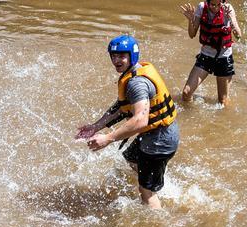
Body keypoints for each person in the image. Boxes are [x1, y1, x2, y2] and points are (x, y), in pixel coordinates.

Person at [77, 35, 180, 209]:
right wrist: (96, 126)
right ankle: (156, 181)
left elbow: (140, 120)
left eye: (122, 56)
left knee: (146, 192)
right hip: (157, 134)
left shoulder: (137, 83)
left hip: (159, 140)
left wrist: (108, 138)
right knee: (131, 160)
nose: (117, 60)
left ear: (132, 56)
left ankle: (156, 226)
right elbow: (122, 107)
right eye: (113, 56)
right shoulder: (133, 74)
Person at [179, 0, 242, 106]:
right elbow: (192, 34)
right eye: (212, 4)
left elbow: (239, 36)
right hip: (206, 55)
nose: (216, 7)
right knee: (186, 93)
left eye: (219, 4)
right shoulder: (201, 8)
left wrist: (230, 19)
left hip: (224, 57)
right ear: (206, 1)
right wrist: (191, 20)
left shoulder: (228, 9)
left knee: (222, 102)